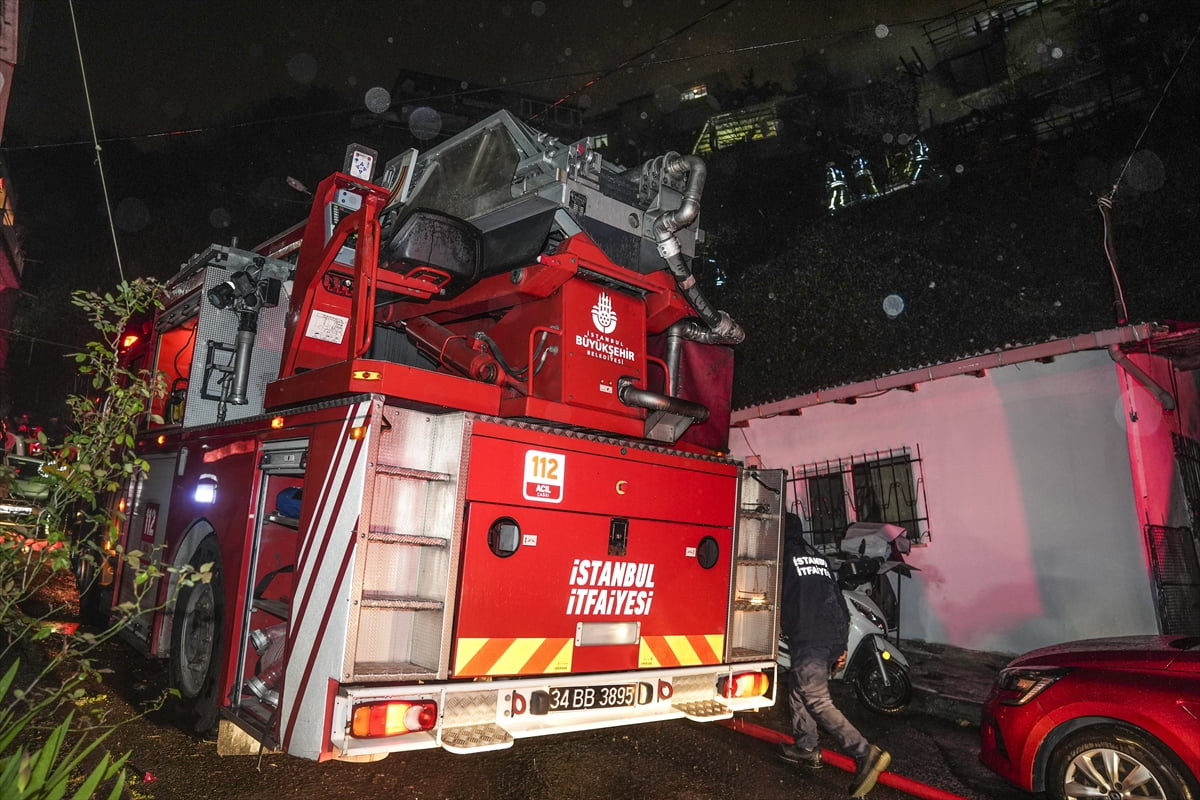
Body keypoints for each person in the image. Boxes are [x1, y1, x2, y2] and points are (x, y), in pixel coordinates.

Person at [779, 513, 891, 797]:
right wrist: (840, 646)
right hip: (831, 634)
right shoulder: (816, 556)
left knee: (815, 697)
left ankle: (864, 752)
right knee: (798, 688)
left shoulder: (781, 557)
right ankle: (806, 746)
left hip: (810, 637)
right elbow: (837, 599)